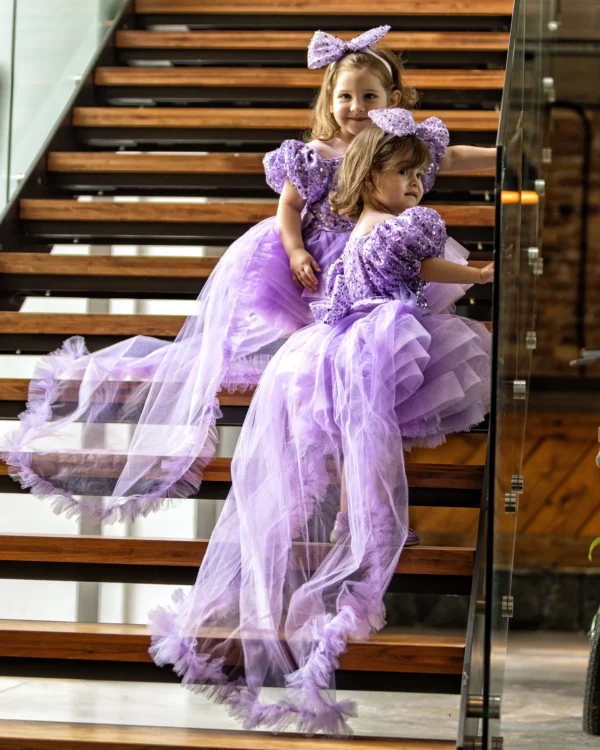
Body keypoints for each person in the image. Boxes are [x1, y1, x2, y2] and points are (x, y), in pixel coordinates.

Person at [2, 26, 493, 525]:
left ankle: (356, 480)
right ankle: (321, 463)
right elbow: (289, 207)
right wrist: (295, 249)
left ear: (393, 100)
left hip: (376, 261)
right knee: (322, 356)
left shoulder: (399, 148)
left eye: (369, 96)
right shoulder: (316, 153)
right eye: (345, 96)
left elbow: (451, 156)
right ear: (329, 99)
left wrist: (500, 157)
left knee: (370, 363)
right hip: (323, 260)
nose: (356, 107)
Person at [148, 108, 493, 735]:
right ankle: (362, 534)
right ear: (369, 178)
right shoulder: (391, 226)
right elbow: (419, 266)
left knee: (363, 439)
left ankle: (356, 526)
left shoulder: (374, 220)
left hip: (344, 340)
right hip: (364, 339)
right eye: (404, 173)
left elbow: (414, 266)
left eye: (420, 175)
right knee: (366, 440)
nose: (416, 184)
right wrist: (473, 273)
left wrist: (466, 270)